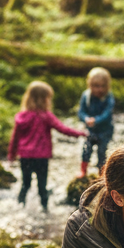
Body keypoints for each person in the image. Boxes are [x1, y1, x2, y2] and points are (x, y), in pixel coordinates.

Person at [8, 81, 86, 210]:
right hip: (41, 157)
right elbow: (62, 129)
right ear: (45, 99)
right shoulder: (46, 116)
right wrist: (81, 133)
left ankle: (20, 206)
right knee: (42, 186)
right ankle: (45, 209)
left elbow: (15, 138)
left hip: (25, 157)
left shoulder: (22, 117)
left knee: (25, 184)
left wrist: (11, 155)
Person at [78, 67, 114, 177]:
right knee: (86, 149)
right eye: (96, 86)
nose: (100, 89)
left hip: (105, 131)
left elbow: (107, 114)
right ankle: (83, 170)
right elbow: (81, 112)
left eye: (103, 86)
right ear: (90, 85)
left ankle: (101, 173)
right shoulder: (86, 96)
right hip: (90, 130)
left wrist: (96, 120)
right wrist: (86, 119)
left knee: (102, 153)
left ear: (107, 86)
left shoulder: (108, 97)